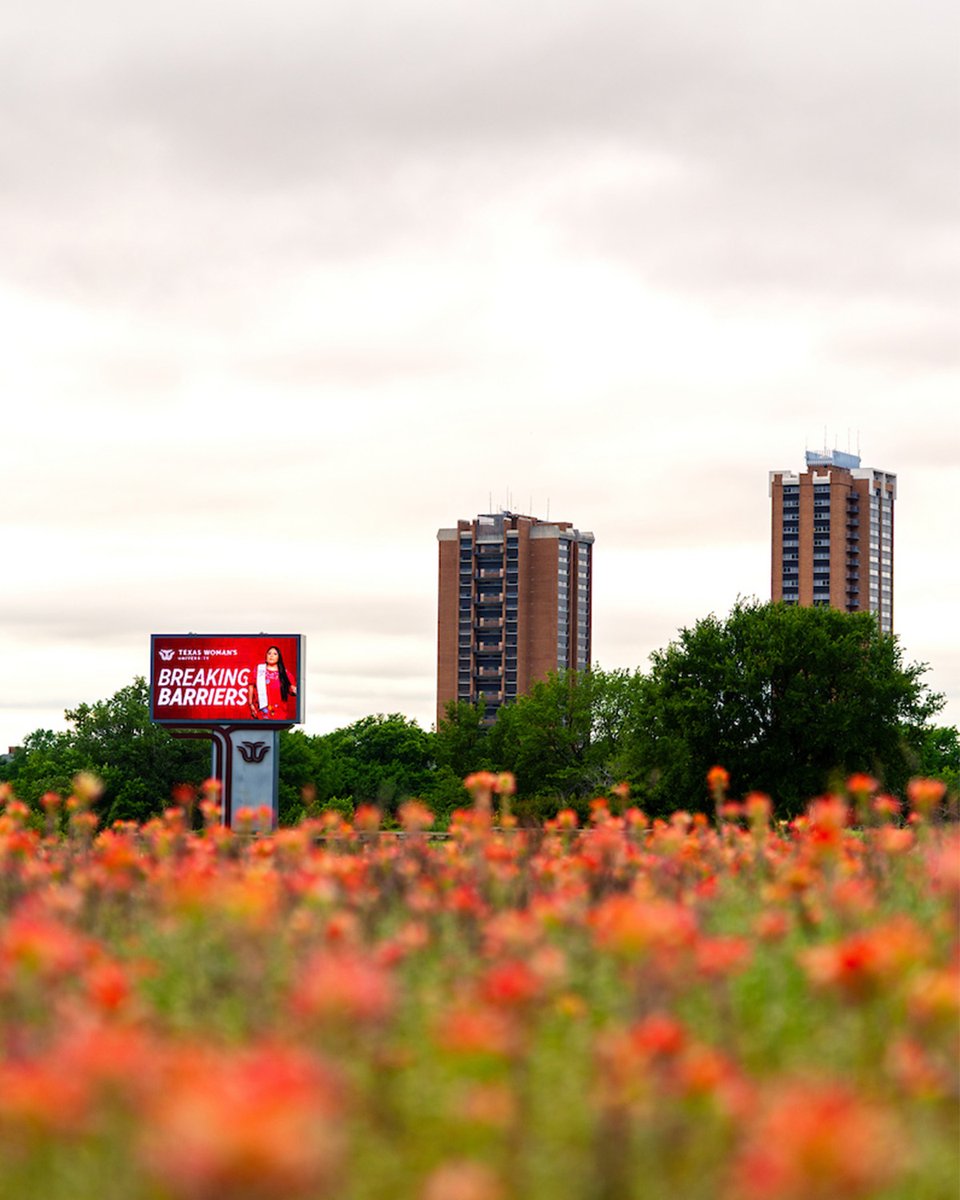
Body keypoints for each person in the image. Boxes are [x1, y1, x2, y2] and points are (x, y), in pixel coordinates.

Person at [248, 645, 297, 720]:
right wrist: (250, 704)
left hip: (279, 712)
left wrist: (294, 690)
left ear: (279, 657)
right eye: (269, 653)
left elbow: (292, 689)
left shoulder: (285, 673)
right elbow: (251, 686)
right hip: (261, 711)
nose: (271, 656)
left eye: (275, 654)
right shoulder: (259, 669)